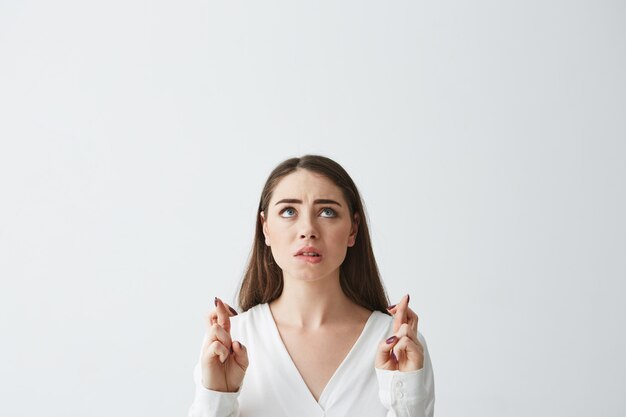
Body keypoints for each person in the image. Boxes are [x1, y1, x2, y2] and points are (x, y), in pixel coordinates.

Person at [188, 155, 435, 417]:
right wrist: (216, 397)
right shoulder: (232, 343)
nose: (308, 229)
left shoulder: (397, 345)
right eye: (288, 212)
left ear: (353, 229)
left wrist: (406, 394)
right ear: (265, 228)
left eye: (327, 212)